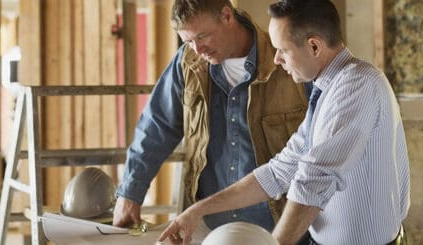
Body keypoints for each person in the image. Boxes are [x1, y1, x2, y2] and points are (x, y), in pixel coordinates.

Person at [158, 0, 410, 244]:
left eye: (282, 49)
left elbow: (314, 179)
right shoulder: (328, 90)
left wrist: (274, 243)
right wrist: (199, 209)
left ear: (314, 46)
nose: (276, 59)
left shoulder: (358, 85)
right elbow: (279, 171)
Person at [113, 0, 309, 233]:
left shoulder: (287, 61)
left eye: (203, 36)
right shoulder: (188, 62)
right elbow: (157, 126)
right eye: (188, 41)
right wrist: (130, 194)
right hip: (210, 227)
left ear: (227, 16)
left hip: (280, 227)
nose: (197, 49)